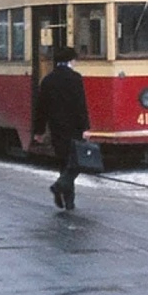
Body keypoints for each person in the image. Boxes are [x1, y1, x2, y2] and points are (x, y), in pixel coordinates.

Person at [32, 45, 90, 210]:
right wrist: (85, 127)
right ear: (71, 61)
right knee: (75, 163)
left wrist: (39, 131)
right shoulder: (76, 78)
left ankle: (67, 199)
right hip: (74, 127)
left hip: (56, 127)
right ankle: (60, 187)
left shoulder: (48, 80)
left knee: (64, 162)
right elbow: (81, 105)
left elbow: (41, 108)